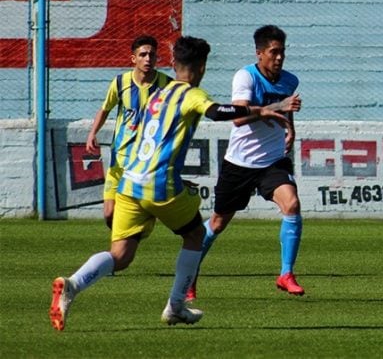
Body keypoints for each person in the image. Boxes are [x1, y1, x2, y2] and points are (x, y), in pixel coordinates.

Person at [49, 36, 289, 331]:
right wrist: (261, 109)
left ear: (174, 64)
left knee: (121, 256)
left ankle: (73, 284)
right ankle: (175, 306)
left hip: (130, 181)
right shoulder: (191, 93)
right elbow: (219, 112)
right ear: (201, 67)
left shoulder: (158, 94)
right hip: (158, 184)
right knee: (196, 235)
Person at [188, 24, 304, 301]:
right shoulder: (246, 76)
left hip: (273, 161)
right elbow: (238, 117)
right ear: (260, 53)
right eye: (273, 52)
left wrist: (291, 128)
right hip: (240, 163)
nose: (279, 58)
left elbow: (287, 110)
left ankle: (286, 273)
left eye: (282, 52)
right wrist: (277, 108)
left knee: (292, 204)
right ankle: (189, 275)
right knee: (216, 223)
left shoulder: (290, 80)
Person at [85, 35, 172, 229]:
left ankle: (126, 245)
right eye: (143, 54)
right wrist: (92, 133)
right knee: (109, 214)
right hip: (119, 159)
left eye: (152, 55)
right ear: (134, 59)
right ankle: (127, 241)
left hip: (147, 162)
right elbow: (105, 108)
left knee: (141, 208)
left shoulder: (167, 85)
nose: (148, 58)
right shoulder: (120, 83)